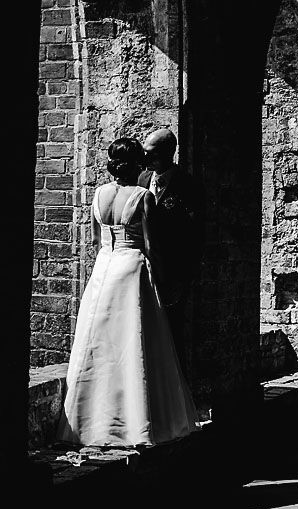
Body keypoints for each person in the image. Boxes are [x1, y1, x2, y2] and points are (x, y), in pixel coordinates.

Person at [58, 138, 198, 447]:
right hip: (132, 268)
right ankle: (136, 421)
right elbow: (151, 246)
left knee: (100, 344)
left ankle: (89, 420)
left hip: (104, 269)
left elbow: (96, 242)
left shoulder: (98, 195)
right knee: (135, 344)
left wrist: (104, 263)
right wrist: (161, 283)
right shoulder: (142, 197)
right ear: (137, 165)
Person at [138, 128, 205, 371]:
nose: (147, 159)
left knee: (171, 333)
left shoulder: (187, 185)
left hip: (172, 272)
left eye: (153, 154)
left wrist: (182, 277)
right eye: (145, 154)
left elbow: (193, 235)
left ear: (169, 153)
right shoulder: (142, 180)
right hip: (144, 271)